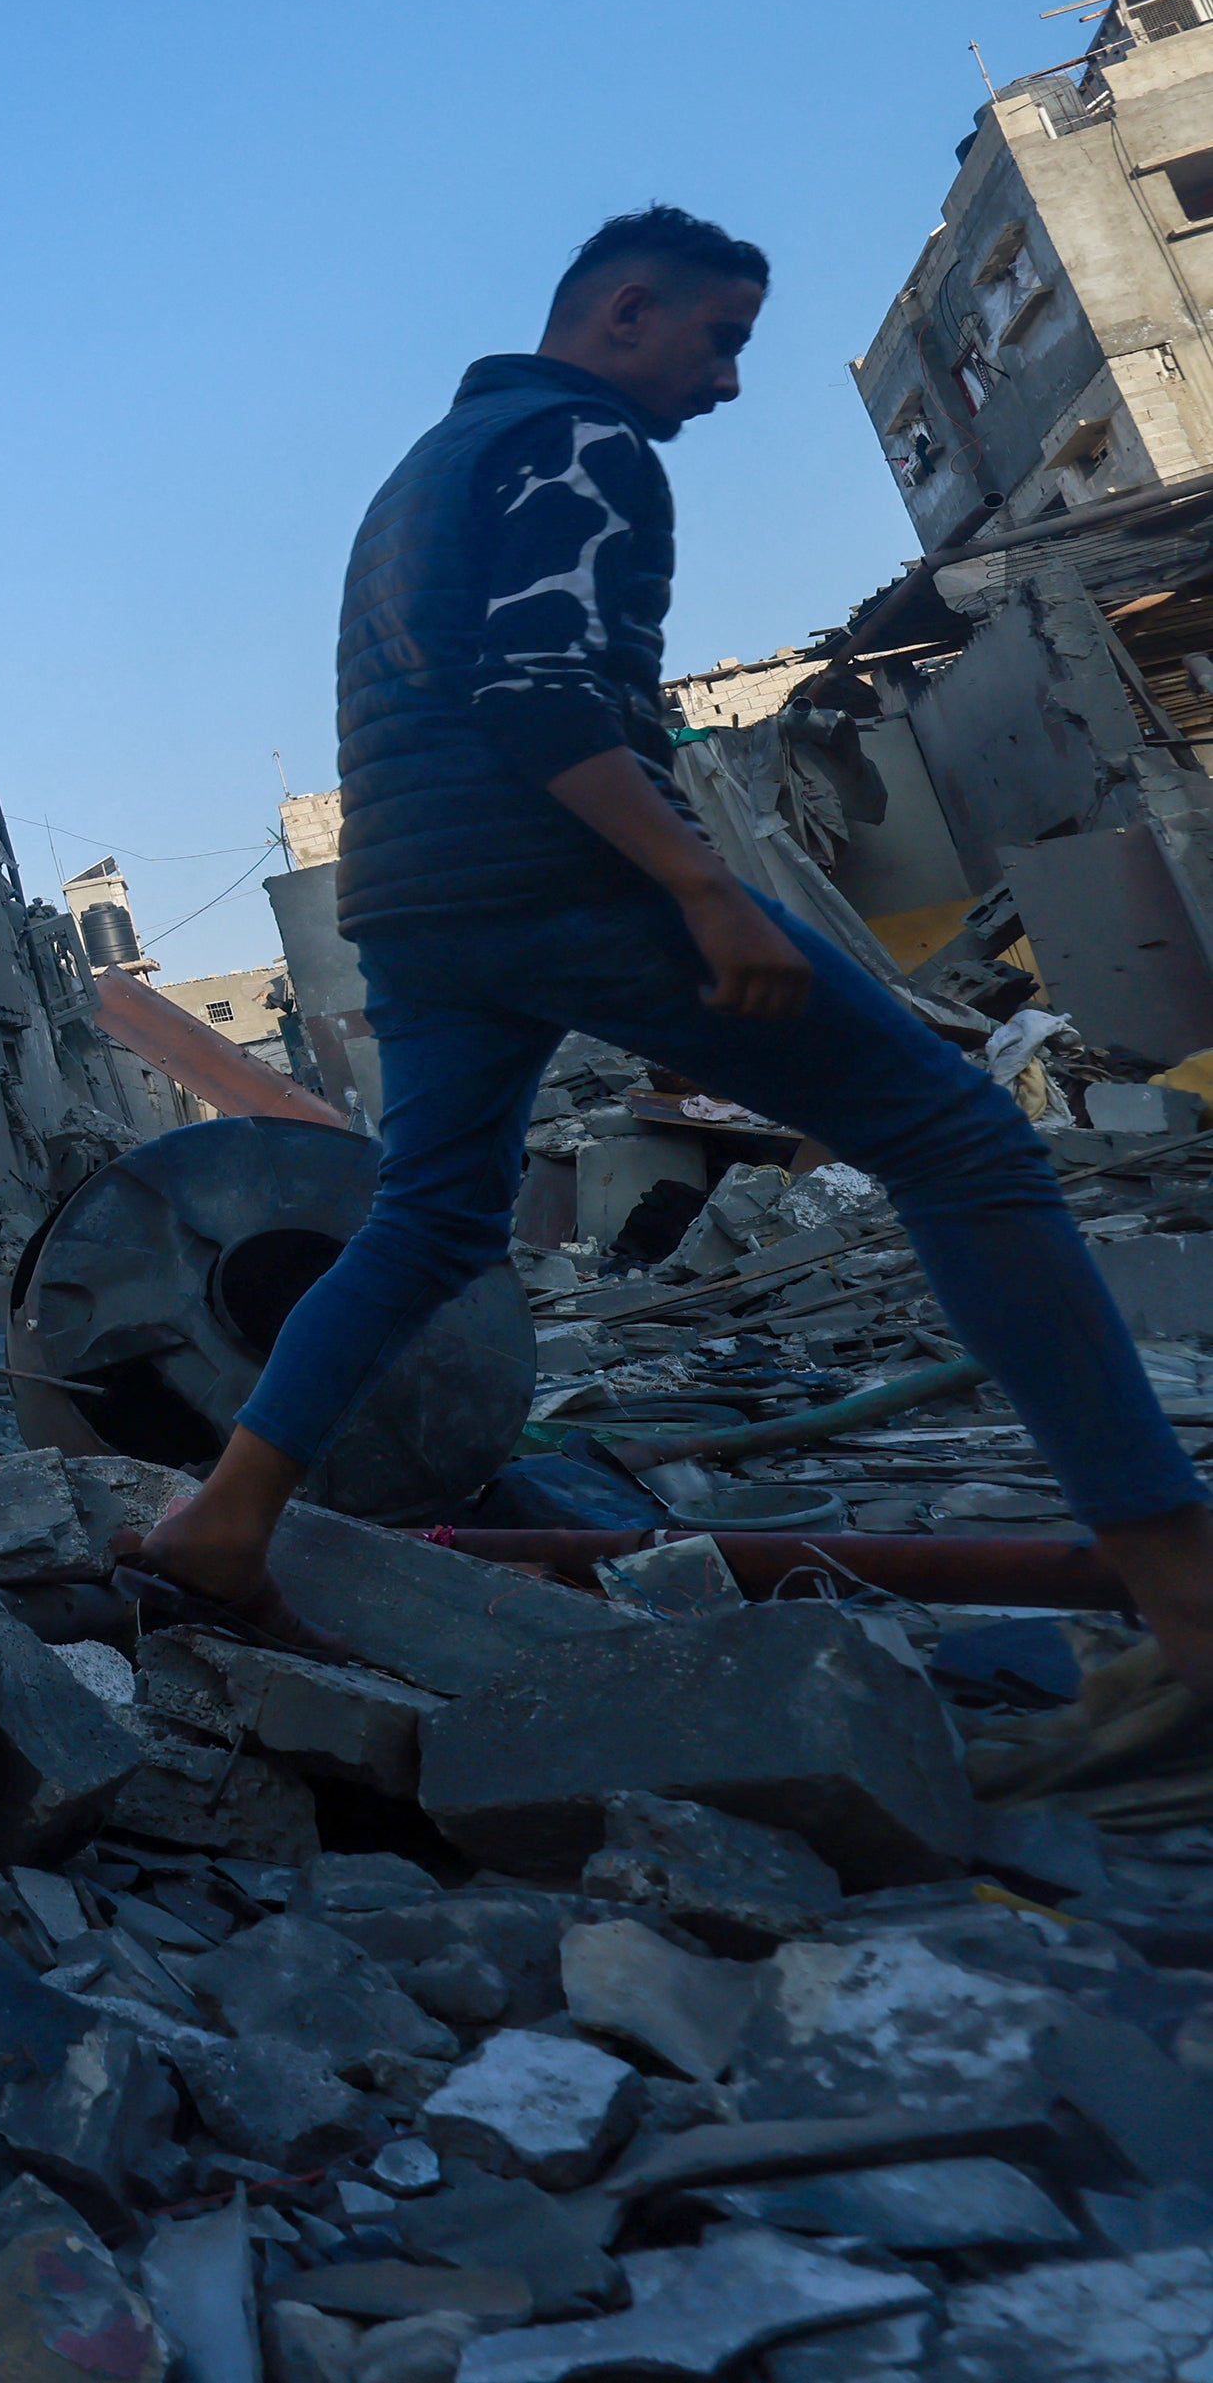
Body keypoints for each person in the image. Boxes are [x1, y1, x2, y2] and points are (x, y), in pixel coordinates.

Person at [135, 205, 1213, 1692]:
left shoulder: (427, 469)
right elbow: (538, 698)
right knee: (964, 1147)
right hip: (555, 874)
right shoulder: (582, 447)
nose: (726, 384)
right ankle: (1189, 1603)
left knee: (436, 1219)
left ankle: (229, 1516)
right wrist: (702, 889)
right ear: (625, 311)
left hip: (412, 906)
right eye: (721, 342)